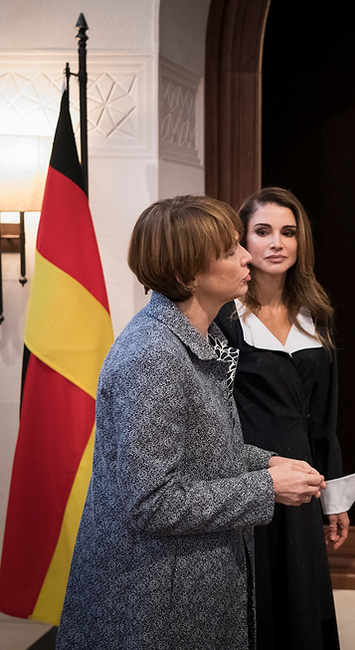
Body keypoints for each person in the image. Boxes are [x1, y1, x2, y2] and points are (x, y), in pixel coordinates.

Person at [56, 195, 326, 649]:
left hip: (191, 582)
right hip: (155, 598)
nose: (247, 257)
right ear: (186, 274)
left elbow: (205, 452)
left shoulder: (201, 335)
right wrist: (266, 488)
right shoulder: (153, 356)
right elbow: (153, 502)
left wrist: (268, 461)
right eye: (229, 250)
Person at [216, 187, 346, 650]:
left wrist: (336, 498)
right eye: (263, 231)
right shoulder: (223, 317)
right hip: (246, 474)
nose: (277, 243)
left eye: (288, 232)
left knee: (302, 602)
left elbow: (325, 420)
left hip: (304, 479)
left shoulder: (319, 313)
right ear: (242, 241)